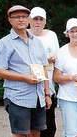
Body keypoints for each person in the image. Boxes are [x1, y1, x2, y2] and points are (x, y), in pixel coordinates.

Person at [0, 5, 52, 137]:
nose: (21, 19)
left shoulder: (37, 42)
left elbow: (44, 68)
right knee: (20, 134)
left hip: (38, 97)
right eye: (16, 17)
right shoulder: (4, 43)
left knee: (36, 133)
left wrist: (47, 94)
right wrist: (24, 78)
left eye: (24, 16)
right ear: (10, 20)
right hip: (17, 97)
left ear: (28, 19)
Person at [28, 7, 60, 137]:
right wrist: (43, 60)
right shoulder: (24, 35)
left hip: (48, 87)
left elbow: (58, 57)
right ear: (29, 20)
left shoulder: (52, 35)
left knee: (49, 126)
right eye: (35, 19)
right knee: (31, 128)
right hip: (29, 88)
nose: (38, 22)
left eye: (41, 19)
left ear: (45, 21)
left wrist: (52, 59)